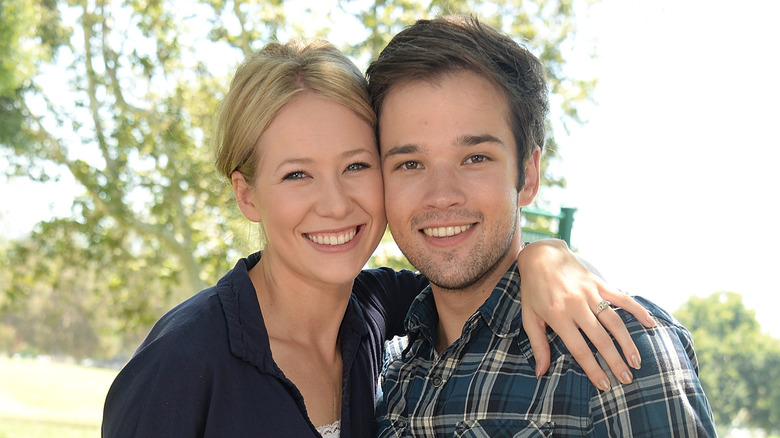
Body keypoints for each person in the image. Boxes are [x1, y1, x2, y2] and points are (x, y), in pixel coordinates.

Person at [101, 40, 652, 438]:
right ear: (247, 195)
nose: (337, 204)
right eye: (297, 174)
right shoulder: (183, 360)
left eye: (357, 165)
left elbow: (466, 272)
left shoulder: (379, 313)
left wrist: (544, 255)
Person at [368, 15, 716, 437]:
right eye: (410, 163)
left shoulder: (618, 349)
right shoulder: (387, 364)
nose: (442, 195)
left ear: (528, 176)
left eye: (475, 158)